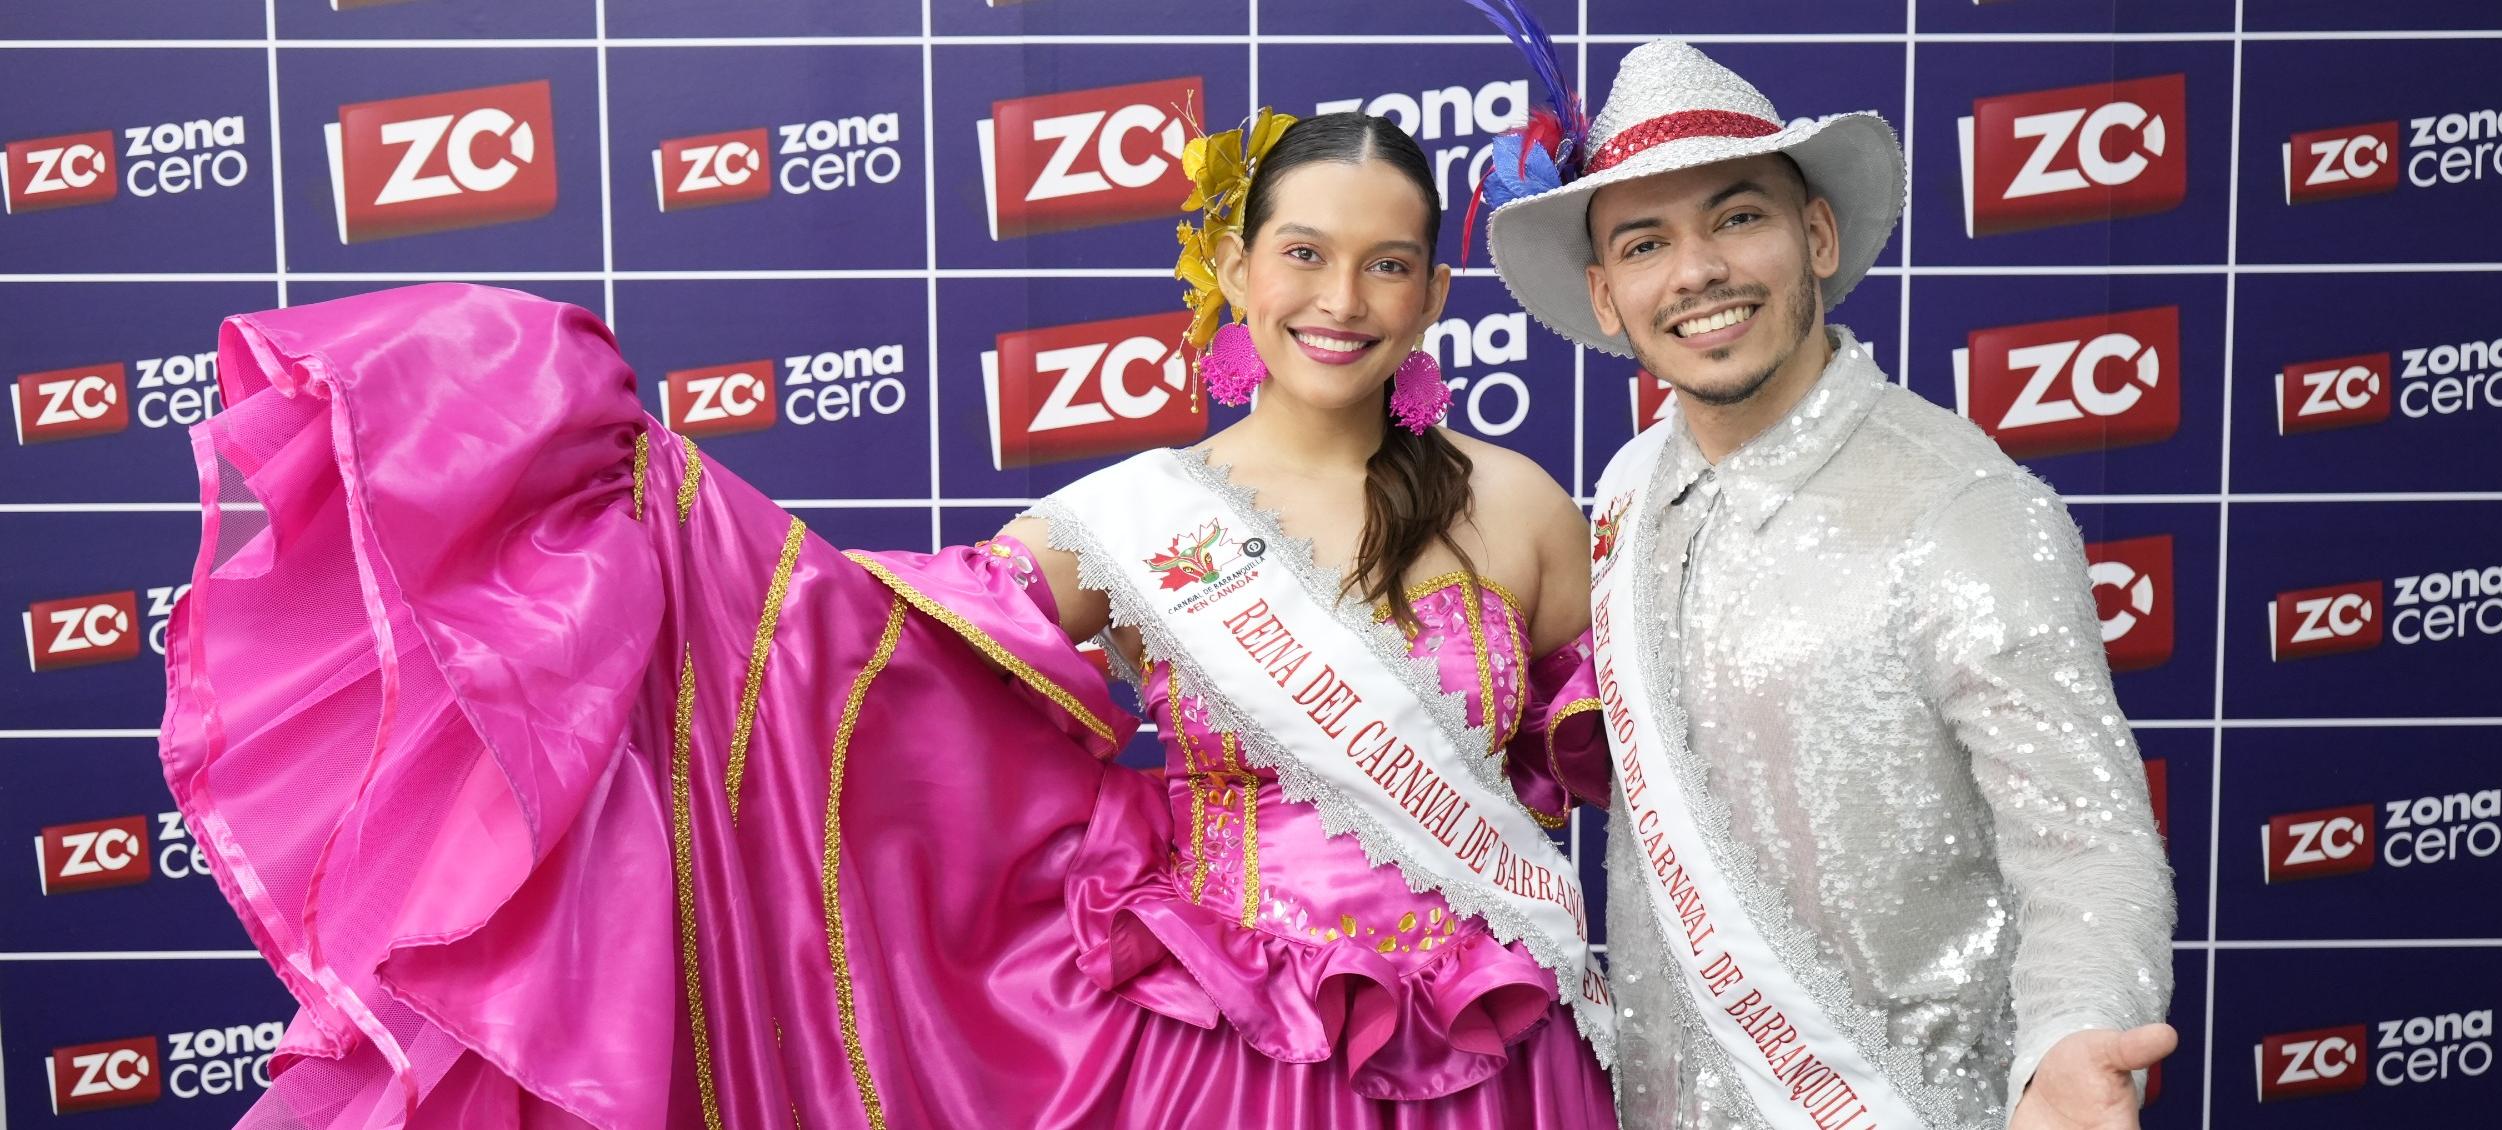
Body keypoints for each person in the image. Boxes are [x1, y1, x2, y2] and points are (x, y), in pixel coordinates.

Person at [158, 109, 1617, 1129]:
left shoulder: (1524, 508)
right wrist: (644, 510)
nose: (1341, 296)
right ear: (1236, 272)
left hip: (1509, 1055)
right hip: (1239, 1048)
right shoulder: (1130, 522)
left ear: (1435, 287)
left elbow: (1616, 755)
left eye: (1388, 260)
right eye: (1303, 252)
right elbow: (858, 654)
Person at [1474, 36, 2177, 1130]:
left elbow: (2086, 838)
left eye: (1737, 217)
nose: (1696, 269)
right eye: (1647, 241)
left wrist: (2073, 1038)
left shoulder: (1965, 506)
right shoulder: (1622, 486)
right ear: (1606, 296)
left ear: (1815, 233)